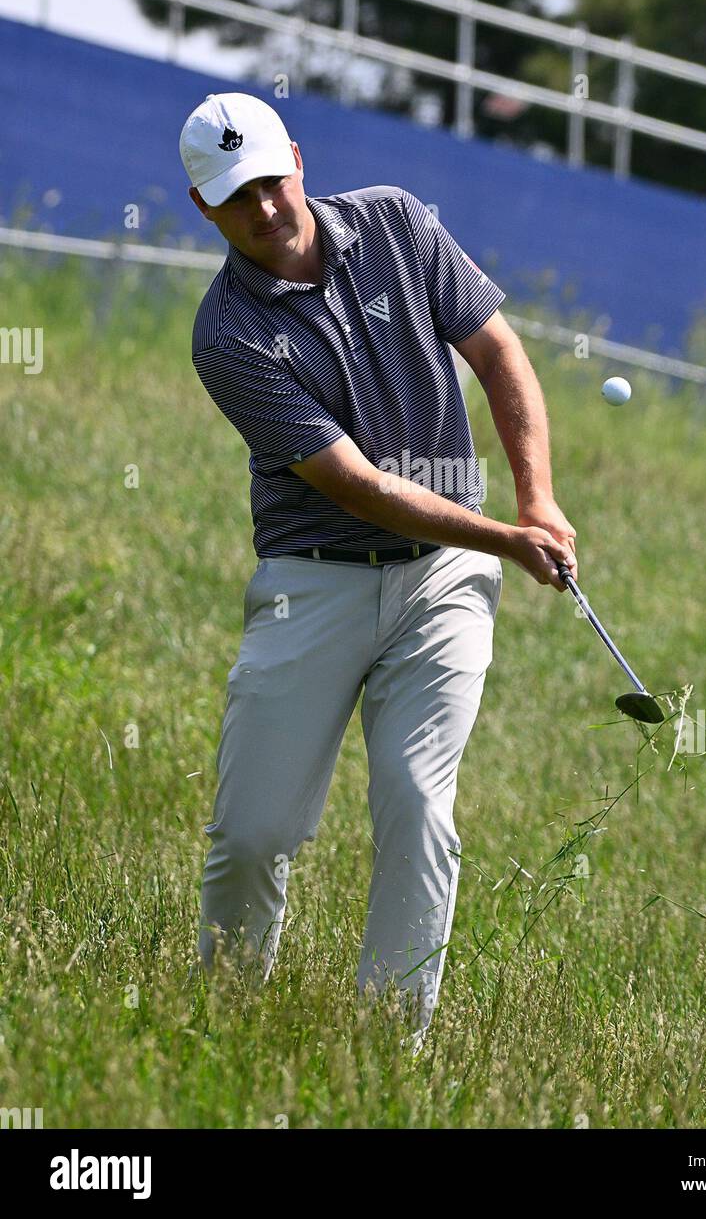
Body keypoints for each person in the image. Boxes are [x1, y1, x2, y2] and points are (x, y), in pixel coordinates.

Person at [180, 91, 578, 1047]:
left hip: (443, 580)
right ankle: (226, 1024)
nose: (266, 209)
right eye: (239, 198)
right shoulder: (227, 338)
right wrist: (503, 539)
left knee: (416, 803)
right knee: (254, 835)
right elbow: (352, 485)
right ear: (205, 210)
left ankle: (383, 1049)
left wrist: (538, 498)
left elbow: (497, 350)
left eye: (274, 181)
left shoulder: (400, 223)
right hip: (312, 579)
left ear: (300, 161)